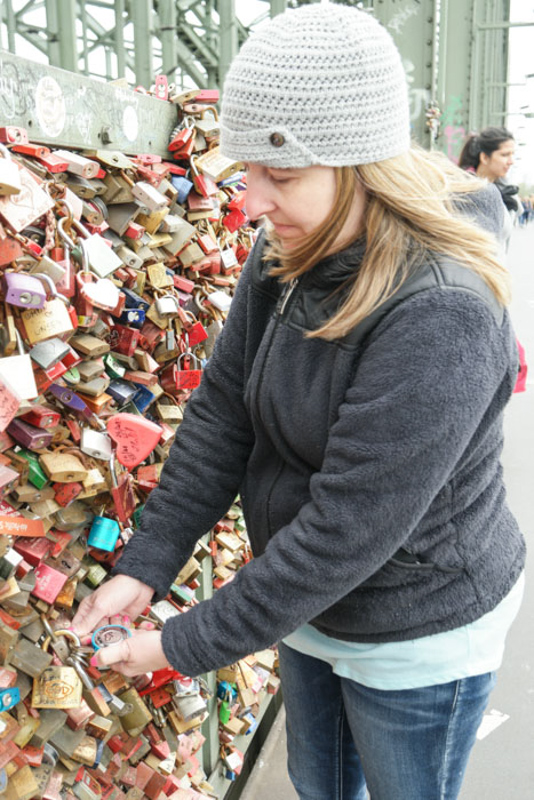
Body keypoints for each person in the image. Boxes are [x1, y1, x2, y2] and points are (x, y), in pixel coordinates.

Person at [73, 6, 525, 799]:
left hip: (416, 622)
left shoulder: (443, 309)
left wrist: (178, 644)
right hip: (309, 606)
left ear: (360, 166)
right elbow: (223, 415)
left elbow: (347, 530)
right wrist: (145, 568)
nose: (250, 202)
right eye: (248, 170)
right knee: (322, 788)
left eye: (278, 175)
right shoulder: (291, 247)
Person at [459, 127, 521, 246]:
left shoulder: (505, 190)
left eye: (512, 154)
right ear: (485, 158)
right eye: (505, 155)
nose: (511, 161)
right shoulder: (464, 192)